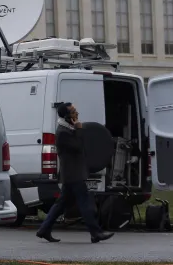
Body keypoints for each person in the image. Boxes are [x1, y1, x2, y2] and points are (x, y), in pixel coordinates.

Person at [36, 102, 114, 244]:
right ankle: (95, 233)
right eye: (72, 111)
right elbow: (78, 146)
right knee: (85, 203)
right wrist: (79, 129)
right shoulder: (63, 132)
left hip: (72, 175)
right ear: (66, 116)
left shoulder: (67, 129)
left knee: (61, 204)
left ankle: (44, 230)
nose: (76, 113)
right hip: (73, 175)